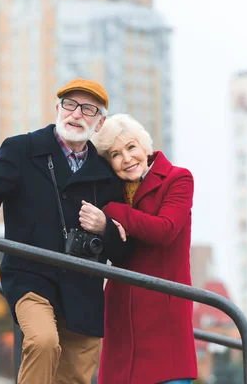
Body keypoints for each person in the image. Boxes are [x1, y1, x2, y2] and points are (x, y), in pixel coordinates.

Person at [0, 78, 127, 384]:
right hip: (31, 276)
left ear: (99, 124)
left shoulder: (106, 176)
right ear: (58, 109)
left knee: (74, 377)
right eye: (70, 105)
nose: (76, 114)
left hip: (84, 290)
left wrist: (105, 228)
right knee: (43, 342)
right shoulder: (22, 150)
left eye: (88, 109)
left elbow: (122, 244)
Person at [85, 113, 198, 384]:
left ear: (145, 147)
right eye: (115, 154)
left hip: (164, 316)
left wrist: (114, 213)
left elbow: (165, 229)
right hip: (122, 315)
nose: (126, 158)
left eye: (131, 147)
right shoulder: (113, 190)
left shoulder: (178, 179)